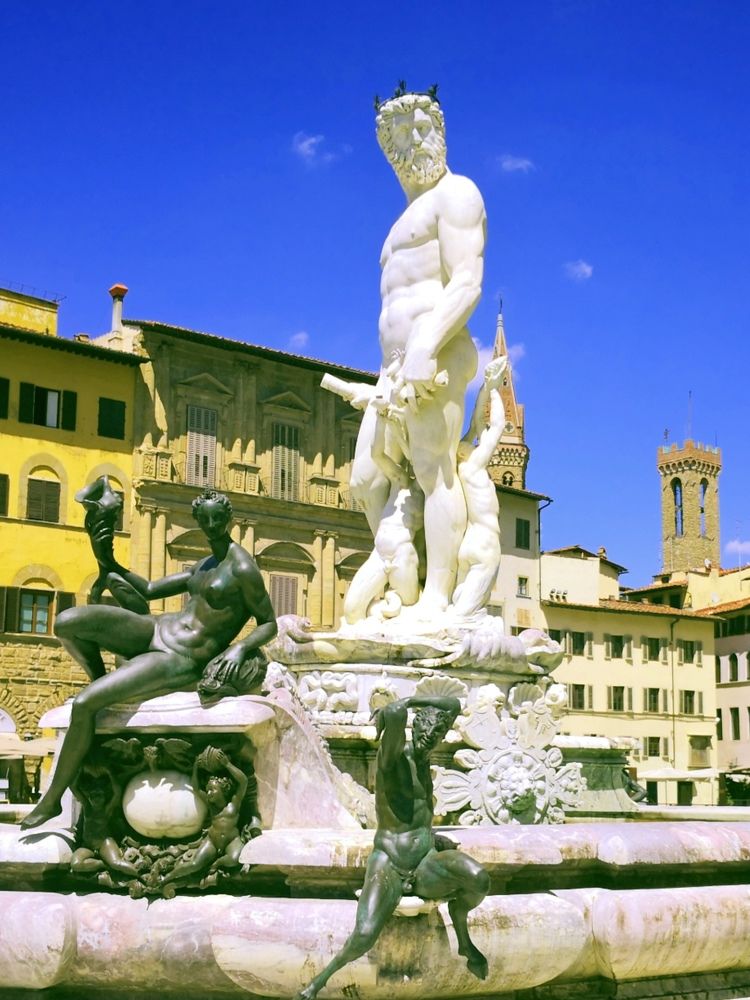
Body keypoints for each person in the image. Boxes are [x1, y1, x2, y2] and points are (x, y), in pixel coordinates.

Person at [21, 489, 277, 830]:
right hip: (156, 629)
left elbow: (269, 623)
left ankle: (52, 800)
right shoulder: (205, 564)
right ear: (198, 521)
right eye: (205, 519)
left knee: (84, 704)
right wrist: (108, 560)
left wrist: (239, 648)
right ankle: (101, 682)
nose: (212, 525)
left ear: (228, 519)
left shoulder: (242, 567)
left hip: (181, 656)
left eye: (218, 518)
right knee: (67, 622)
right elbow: (150, 589)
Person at [350, 89, 486, 617]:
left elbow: (467, 281)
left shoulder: (458, 193)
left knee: (435, 470)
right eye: (400, 134)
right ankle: (406, 577)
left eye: (421, 128)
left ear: (441, 134)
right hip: (391, 369)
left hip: (439, 350)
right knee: (366, 479)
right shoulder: (397, 224)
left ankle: (437, 598)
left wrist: (427, 344)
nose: (412, 141)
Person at [295, 693, 489, 1000]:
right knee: (364, 933)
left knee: (478, 878)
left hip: (425, 861)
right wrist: (403, 707)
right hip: (389, 862)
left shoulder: (425, 759)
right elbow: (396, 713)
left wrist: (415, 699)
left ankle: (462, 937)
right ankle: (317, 983)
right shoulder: (393, 759)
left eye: (436, 736)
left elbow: (453, 704)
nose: (429, 740)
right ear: (414, 729)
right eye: (425, 733)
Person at [452, 356, 508, 617]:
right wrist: (494, 389)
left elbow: (476, 424)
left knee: (460, 602)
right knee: (464, 616)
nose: (476, 443)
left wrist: (484, 388)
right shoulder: (474, 466)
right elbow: (496, 426)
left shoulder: (461, 469)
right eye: (472, 444)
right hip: (485, 543)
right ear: (465, 453)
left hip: (467, 545)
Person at [161, 747, 247, 886]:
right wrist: (196, 766)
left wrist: (227, 764)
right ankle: (167, 878)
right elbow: (195, 787)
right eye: (208, 790)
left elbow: (243, 781)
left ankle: (217, 863)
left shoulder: (234, 803)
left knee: (234, 858)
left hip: (231, 840)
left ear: (223, 790)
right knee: (194, 864)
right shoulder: (211, 805)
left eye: (212, 790)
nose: (209, 793)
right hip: (213, 840)